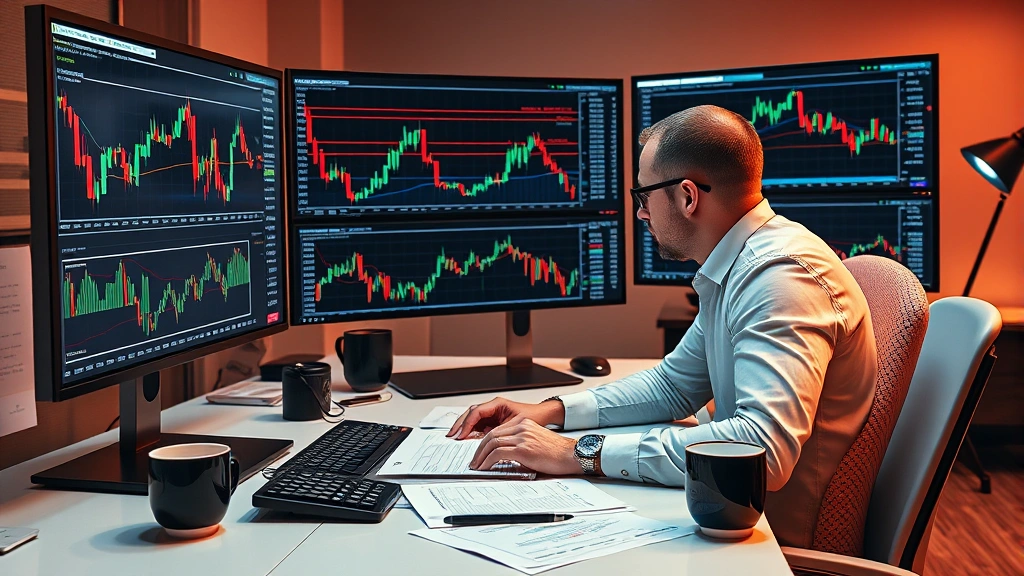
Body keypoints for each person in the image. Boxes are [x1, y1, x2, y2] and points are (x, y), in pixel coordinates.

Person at [446, 104, 878, 548]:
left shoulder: (780, 277)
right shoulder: (742, 266)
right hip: (730, 516)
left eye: (643, 196)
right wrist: (552, 412)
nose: (640, 214)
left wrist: (578, 453)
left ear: (688, 197)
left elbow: (760, 449)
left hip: (774, 546)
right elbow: (674, 385)